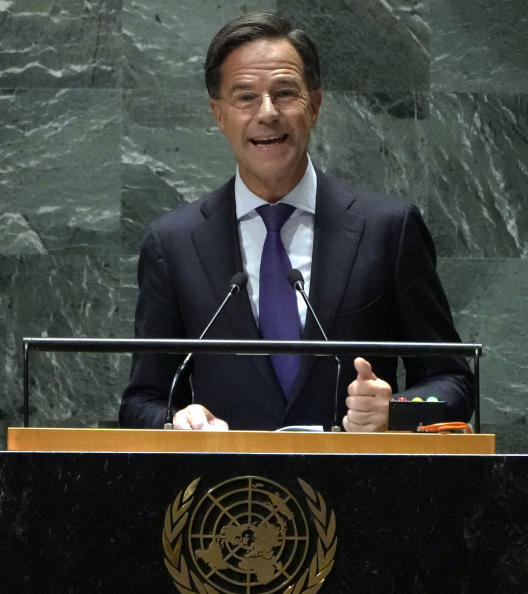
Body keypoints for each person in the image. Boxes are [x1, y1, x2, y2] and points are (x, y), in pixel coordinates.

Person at [119, 12, 473, 431]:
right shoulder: (174, 243)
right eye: (245, 97)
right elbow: (142, 399)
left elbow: (451, 381)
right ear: (218, 114)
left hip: (362, 488)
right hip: (230, 491)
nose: (267, 112)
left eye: (285, 93)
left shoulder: (387, 229)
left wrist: (397, 409)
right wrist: (175, 419)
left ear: (315, 106)